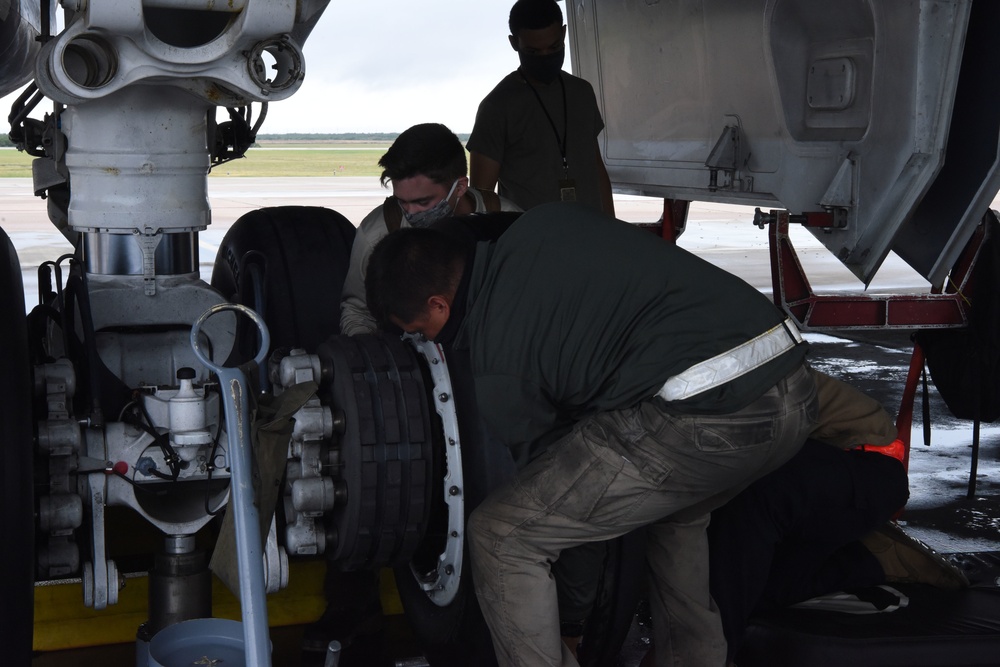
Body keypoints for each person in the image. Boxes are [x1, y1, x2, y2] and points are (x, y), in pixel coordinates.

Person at [365, 203, 819, 667]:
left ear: (439, 304)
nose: (433, 342)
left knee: (503, 536)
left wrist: (572, 623)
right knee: (674, 511)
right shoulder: (545, 223)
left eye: (424, 330)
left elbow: (567, 522)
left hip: (708, 419)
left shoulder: (502, 369)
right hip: (795, 390)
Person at [707, 368, 968, 665]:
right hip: (797, 470)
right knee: (733, 586)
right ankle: (868, 557)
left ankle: (709, 658)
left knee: (744, 513)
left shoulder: (708, 368)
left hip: (862, 464)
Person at [339, 122, 520, 336]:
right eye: (402, 202)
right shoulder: (377, 233)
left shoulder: (512, 224)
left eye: (423, 202)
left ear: (460, 186)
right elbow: (357, 311)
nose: (411, 212)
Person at [467, 0, 615, 215]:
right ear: (514, 43)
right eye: (534, 52)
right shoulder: (497, 106)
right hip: (531, 242)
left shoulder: (581, 92)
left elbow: (596, 168)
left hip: (590, 236)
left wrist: (612, 228)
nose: (546, 56)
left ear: (564, 34)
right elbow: (481, 197)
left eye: (554, 47)